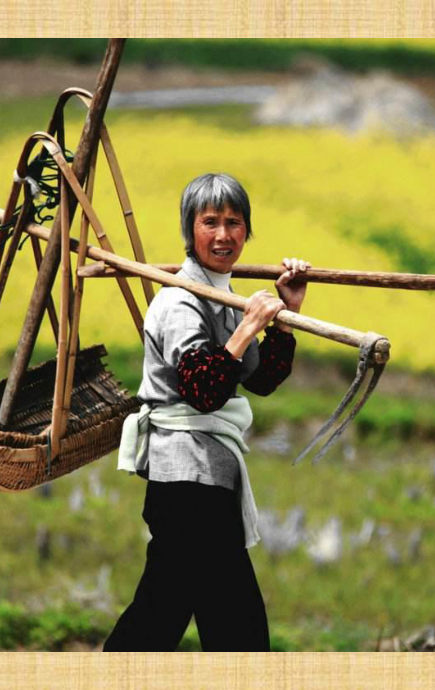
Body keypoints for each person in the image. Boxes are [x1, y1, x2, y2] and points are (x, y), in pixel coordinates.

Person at [103, 172, 310, 652]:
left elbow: (260, 380)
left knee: (167, 612)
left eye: (234, 223)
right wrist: (249, 326)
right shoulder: (179, 301)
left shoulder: (225, 294)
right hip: (186, 479)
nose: (222, 235)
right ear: (189, 230)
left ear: (247, 231)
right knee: (230, 624)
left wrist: (286, 312)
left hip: (205, 480)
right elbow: (204, 389)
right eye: (210, 222)